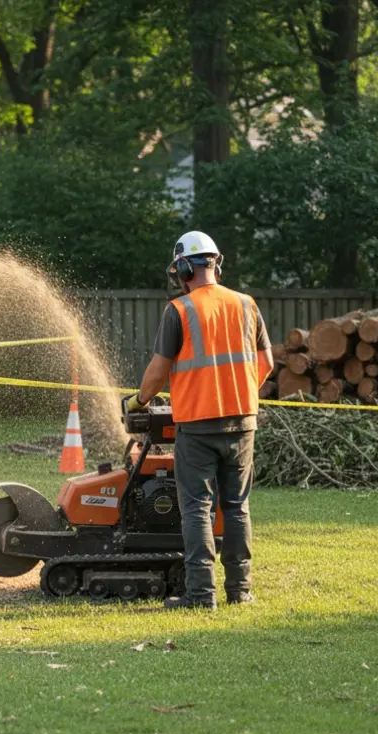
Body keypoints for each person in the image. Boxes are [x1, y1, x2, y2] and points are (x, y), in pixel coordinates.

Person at [129, 232, 273, 609]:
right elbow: (267, 363)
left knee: (196, 509)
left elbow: (159, 370)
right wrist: (239, 393)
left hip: (197, 426)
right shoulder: (246, 304)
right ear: (215, 263)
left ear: (183, 268)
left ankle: (200, 596)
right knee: (237, 507)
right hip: (243, 423)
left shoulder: (179, 310)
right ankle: (240, 592)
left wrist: (139, 400)